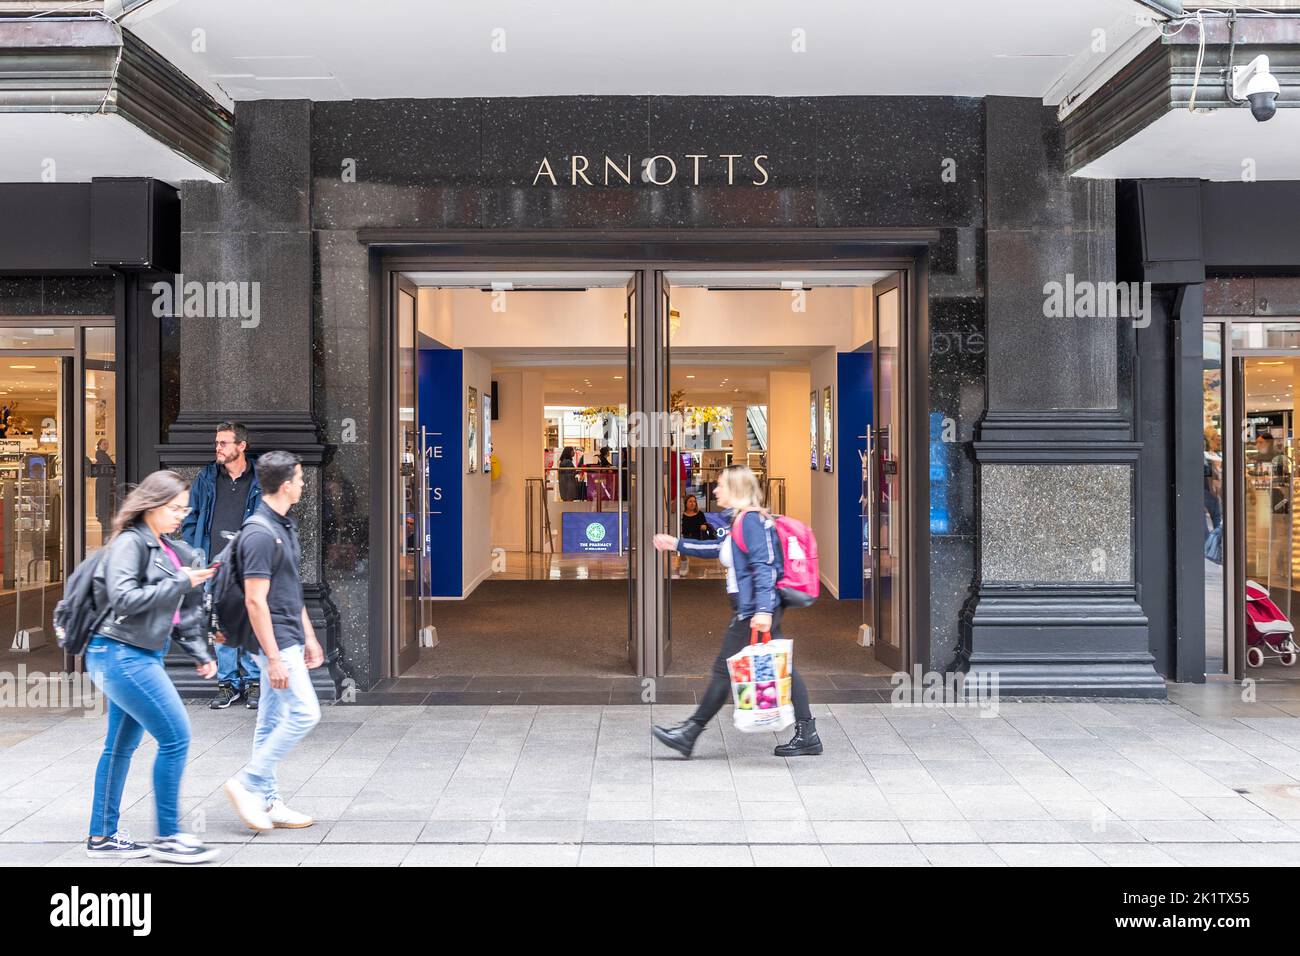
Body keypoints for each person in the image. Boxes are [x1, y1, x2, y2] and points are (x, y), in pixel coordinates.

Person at [84, 470, 220, 862]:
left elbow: (171, 612)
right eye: (175, 508)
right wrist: (181, 582)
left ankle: (102, 837)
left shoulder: (163, 547)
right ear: (153, 505)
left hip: (136, 653)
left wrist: (199, 653)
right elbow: (124, 598)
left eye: (185, 508)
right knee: (176, 737)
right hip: (121, 654)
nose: (182, 515)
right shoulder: (131, 542)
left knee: (118, 748)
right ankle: (170, 837)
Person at [650, 464, 820, 759]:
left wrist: (763, 610)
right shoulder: (741, 520)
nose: (714, 490)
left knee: (722, 670)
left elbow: (764, 567)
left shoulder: (751, 521)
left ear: (736, 489)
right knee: (784, 669)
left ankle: (689, 734)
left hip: (754, 609)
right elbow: (720, 549)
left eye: (720, 486)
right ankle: (808, 734)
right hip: (756, 607)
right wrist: (676, 544)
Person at [222, 451, 323, 832]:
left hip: (289, 637)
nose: (302, 484)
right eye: (299, 479)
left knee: (269, 722)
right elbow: (255, 600)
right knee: (304, 713)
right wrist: (275, 656)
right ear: (284, 485)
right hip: (275, 642)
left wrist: (310, 636)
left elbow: (289, 590)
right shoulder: (261, 534)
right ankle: (248, 782)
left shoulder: (283, 526)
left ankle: (267, 801)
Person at [180, 421, 263, 710]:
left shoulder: (260, 478)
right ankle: (227, 684)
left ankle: (254, 682)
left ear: (241, 446)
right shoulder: (207, 477)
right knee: (220, 625)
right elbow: (191, 518)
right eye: (217, 442)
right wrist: (197, 550)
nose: (218, 447)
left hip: (249, 563)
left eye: (224, 443)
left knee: (252, 623)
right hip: (214, 563)